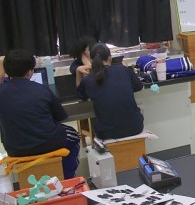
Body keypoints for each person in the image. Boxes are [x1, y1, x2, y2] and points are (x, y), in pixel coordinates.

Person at [0, 49, 80, 178]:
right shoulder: (42, 90)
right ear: (30, 71)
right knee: (74, 135)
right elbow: (61, 117)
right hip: (47, 143)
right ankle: (67, 176)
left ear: (6, 71)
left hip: (14, 149)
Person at [78, 43, 144, 140]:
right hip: (135, 127)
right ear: (110, 58)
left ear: (91, 60)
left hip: (106, 132)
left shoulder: (88, 80)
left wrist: (78, 72)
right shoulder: (123, 70)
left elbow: (81, 96)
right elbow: (139, 87)